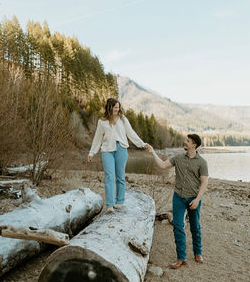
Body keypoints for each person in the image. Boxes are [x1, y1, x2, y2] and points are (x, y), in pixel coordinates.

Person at [147, 134, 209, 269]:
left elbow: (204, 182)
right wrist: (153, 152)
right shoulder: (178, 158)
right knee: (177, 226)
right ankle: (181, 258)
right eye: (186, 140)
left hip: (193, 198)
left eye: (188, 141)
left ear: (194, 145)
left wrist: (198, 200)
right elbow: (163, 165)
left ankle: (198, 252)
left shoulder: (202, 162)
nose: (185, 142)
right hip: (178, 197)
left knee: (195, 227)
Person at [87, 98, 149, 213]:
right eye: (115, 107)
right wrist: (92, 152)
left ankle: (120, 201)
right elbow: (98, 138)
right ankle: (110, 205)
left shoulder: (123, 119)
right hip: (107, 150)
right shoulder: (102, 121)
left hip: (121, 149)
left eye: (118, 107)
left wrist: (142, 144)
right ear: (109, 107)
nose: (117, 109)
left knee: (120, 176)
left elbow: (131, 133)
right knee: (109, 176)